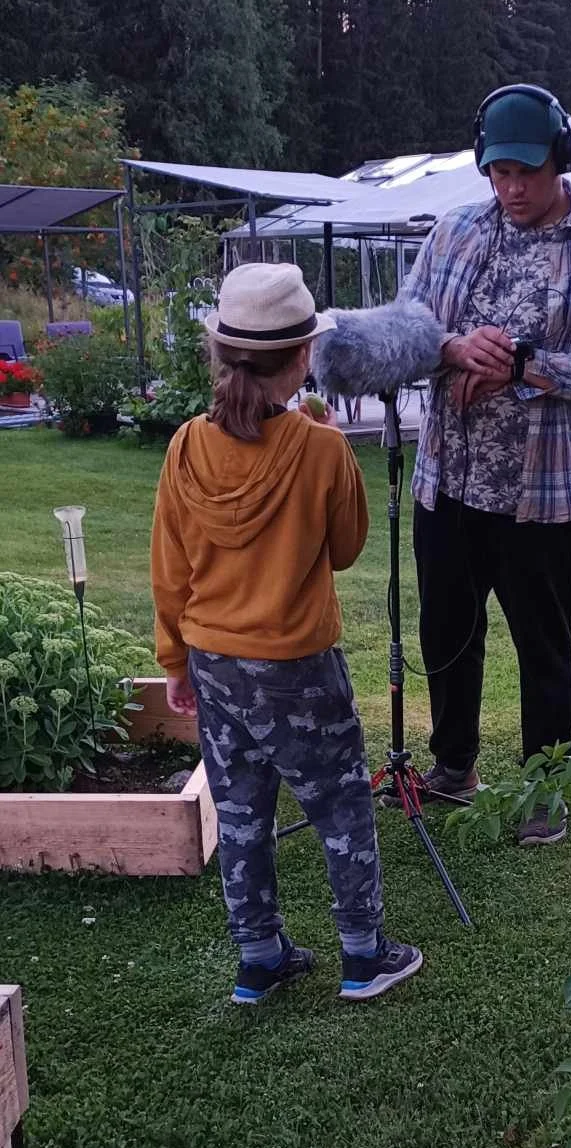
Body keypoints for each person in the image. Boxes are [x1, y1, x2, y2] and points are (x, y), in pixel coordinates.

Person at [150, 262, 422, 1006]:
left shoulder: (185, 446)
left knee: (240, 812)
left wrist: (173, 661)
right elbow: (346, 548)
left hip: (214, 662)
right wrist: (332, 450)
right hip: (299, 666)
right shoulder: (321, 449)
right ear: (303, 357)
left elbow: (169, 568)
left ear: (219, 353)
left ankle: (259, 958)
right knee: (340, 805)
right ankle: (363, 954)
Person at [404, 83, 571, 845]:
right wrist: (452, 348)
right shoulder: (452, 232)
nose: (512, 188)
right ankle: (453, 767)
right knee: (446, 631)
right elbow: (405, 328)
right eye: (499, 172)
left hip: (542, 494)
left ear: (561, 161)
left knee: (544, 646)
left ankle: (546, 792)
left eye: (527, 173)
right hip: (448, 481)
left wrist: (526, 366)